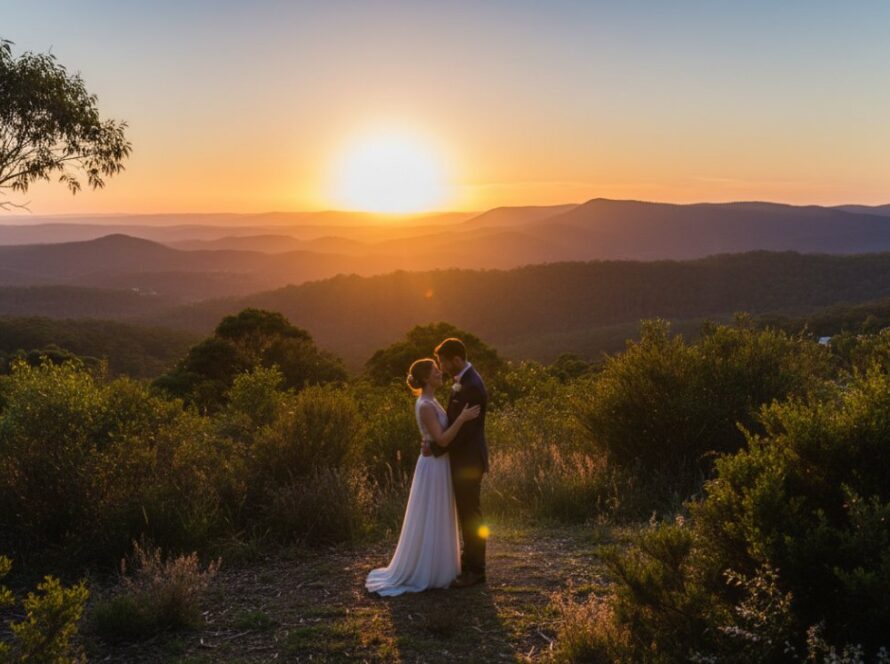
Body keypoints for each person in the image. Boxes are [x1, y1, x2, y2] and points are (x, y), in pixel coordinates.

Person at [365, 358, 480, 596]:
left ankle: (440, 566)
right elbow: (442, 440)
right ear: (426, 378)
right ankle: (428, 570)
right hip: (433, 467)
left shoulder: (432, 400)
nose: (440, 373)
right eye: (436, 371)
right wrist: (462, 418)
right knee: (431, 514)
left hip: (439, 463)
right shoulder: (425, 405)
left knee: (437, 513)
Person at [429, 337, 489, 588]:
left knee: (470, 515)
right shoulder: (464, 383)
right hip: (464, 460)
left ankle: (475, 571)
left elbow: (465, 432)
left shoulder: (472, 386)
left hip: (468, 462)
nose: (441, 367)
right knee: (467, 513)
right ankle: (469, 563)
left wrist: (436, 446)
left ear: (456, 360)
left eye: (443, 362)